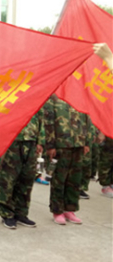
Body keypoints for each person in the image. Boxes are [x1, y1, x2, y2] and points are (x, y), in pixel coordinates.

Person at [44, 94, 89, 225]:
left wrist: (85, 142)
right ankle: (57, 211)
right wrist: (50, 144)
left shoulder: (78, 95)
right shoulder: (54, 97)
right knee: (59, 179)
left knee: (74, 180)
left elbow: (85, 120)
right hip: (61, 145)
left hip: (78, 143)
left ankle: (70, 209)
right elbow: (48, 122)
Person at [0, 111, 44, 229]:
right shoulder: (10, 96)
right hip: (13, 142)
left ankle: (21, 213)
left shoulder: (35, 99)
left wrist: (40, 141)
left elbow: (41, 122)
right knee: (8, 180)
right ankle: (7, 214)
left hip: (31, 143)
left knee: (27, 179)